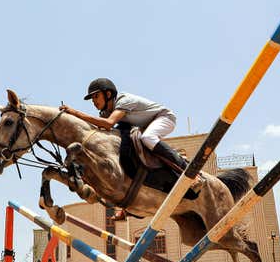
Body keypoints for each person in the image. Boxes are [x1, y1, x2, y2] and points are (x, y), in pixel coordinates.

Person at [60, 78, 200, 219]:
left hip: (163, 118)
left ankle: (190, 173)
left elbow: (108, 124)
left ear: (108, 94)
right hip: (143, 126)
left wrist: (74, 113)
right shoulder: (105, 112)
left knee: (148, 138)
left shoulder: (122, 100)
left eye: (96, 96)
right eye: (92, 99)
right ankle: (128, 208)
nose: (94, 101)